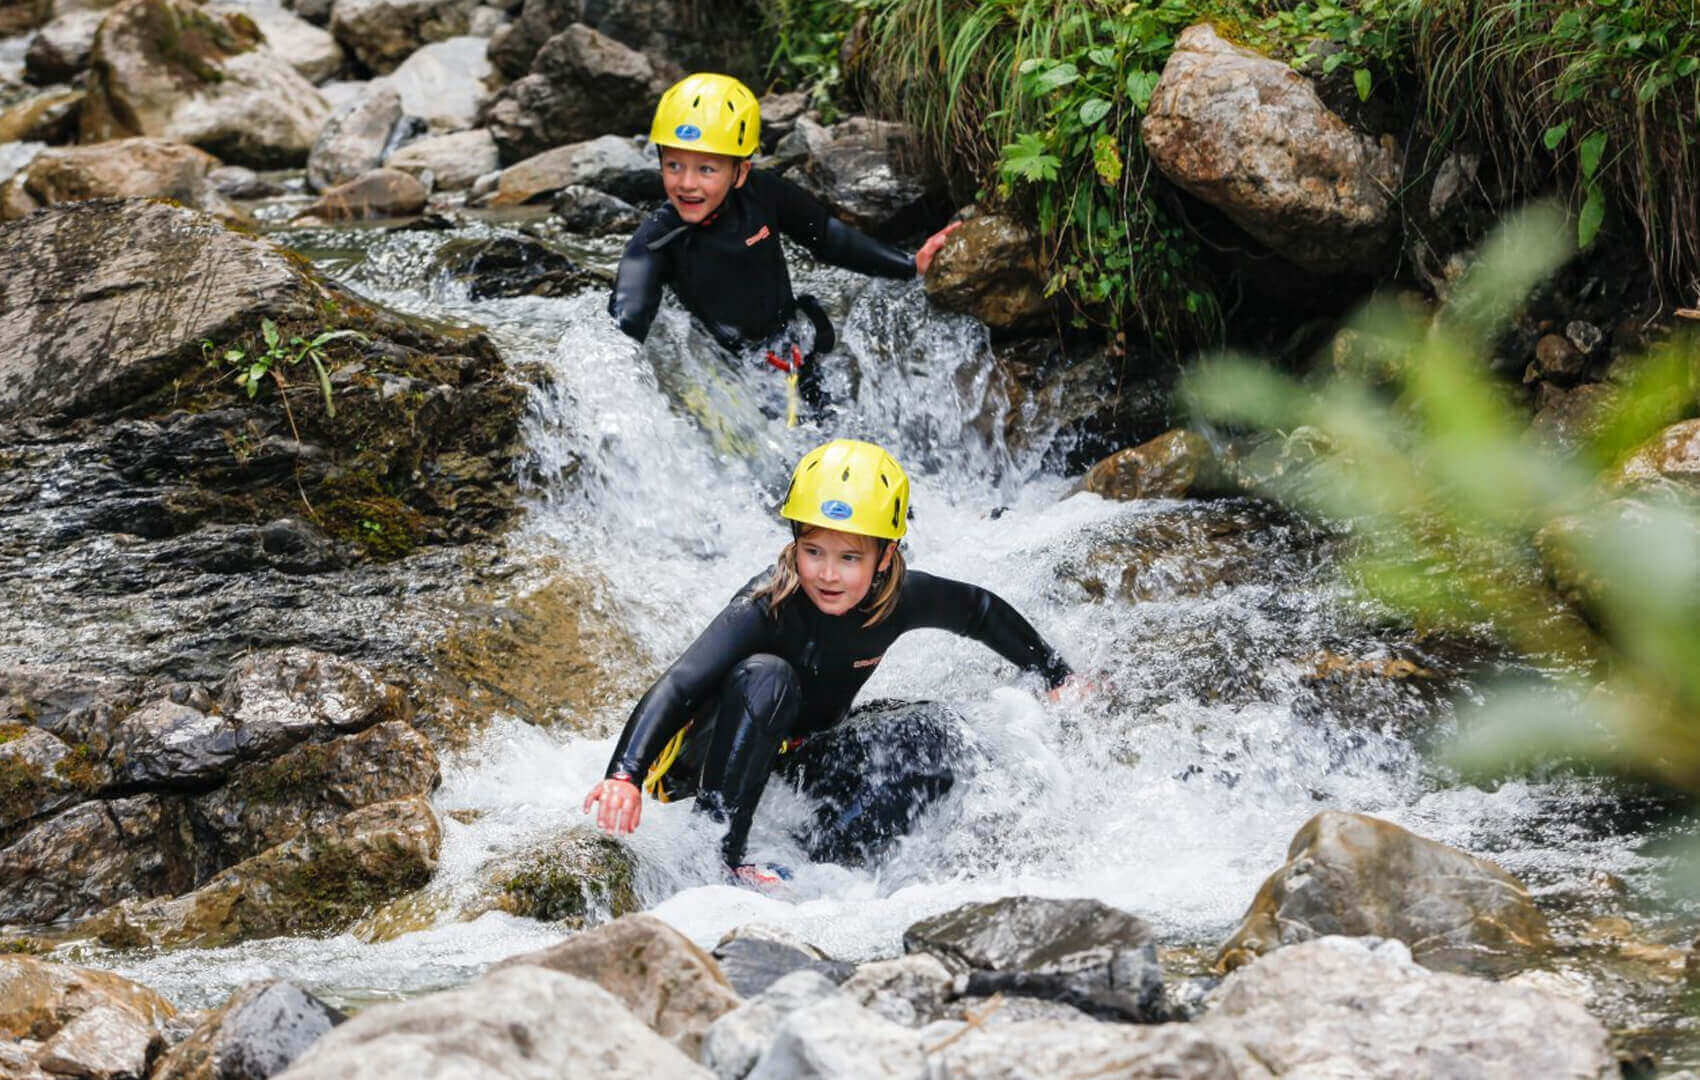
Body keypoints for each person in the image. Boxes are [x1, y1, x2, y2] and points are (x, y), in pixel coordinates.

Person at [582, 438, 1077, 886]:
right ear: (794, 542)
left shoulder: (903, 597)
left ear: (886, 556)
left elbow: (980, 611)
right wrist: (623, 775)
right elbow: (679, 685)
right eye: (812, 550)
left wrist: (1056, 673)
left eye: (849, 558)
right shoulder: (767, 603)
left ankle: (843, 868)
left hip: (795, 759)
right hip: (702, 767)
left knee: (931, 731)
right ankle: (717, 857)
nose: (827, 574)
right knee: (767, 676)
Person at [608, 73, 960, 426]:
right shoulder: (657, 239)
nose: (687, 183)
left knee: (829, 430)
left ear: (740, 171)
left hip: (791, 350)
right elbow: (629, 314)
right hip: (733, 378)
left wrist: (909, 264)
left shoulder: (764, 195)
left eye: (706, 169)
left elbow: (826, 236)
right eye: (673, 165)